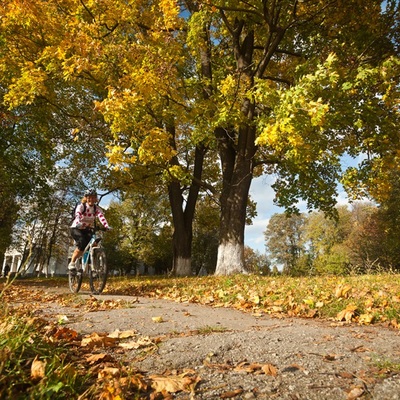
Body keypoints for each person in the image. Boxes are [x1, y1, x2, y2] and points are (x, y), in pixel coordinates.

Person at [68, 188, 110, 271]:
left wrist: (106, 226)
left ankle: (93, 265)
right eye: (89, 197)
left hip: (87, 229)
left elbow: (101, 217)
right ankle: (72, 263)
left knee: (94, 242)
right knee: (82, 243)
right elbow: (78, 214)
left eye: (93, 197)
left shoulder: (96, 208)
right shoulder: (82, 206)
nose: (91, 199)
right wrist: (78, 223)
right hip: (76, 228)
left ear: (96, 199)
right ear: (86, 198)